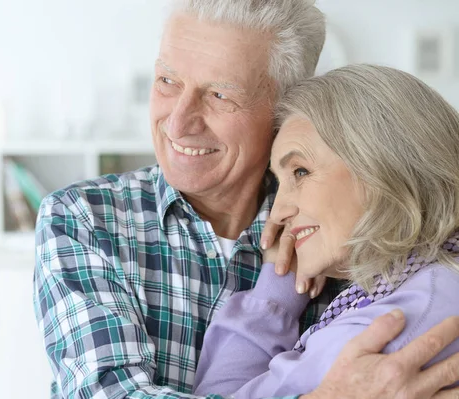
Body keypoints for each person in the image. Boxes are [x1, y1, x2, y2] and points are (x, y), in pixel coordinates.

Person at [32, 1, 459, 398]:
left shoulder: (341, 234)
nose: (177, 123)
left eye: (220, 94)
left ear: (282, 110)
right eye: (167, 81)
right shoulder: (85, 219)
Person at [193, 64, 459, 398]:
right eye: (278, 183)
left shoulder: (402, 320)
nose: (278, 212)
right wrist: (281, 281)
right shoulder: (421, 289)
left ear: (383, 164)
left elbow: (220, 393)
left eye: (300, 172)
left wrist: (273, 290)